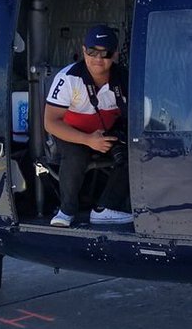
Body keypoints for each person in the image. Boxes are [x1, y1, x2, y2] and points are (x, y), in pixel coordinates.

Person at [43, 25, 132, 227]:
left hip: (106, 131)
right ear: (84, 51)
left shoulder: (124, 78)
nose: (98, 59)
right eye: (92, 52)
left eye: (105, 53)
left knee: (132, 151)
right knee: (76, 155)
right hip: (72, 132)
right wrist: (88, 140)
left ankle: (106, 208)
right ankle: (66, 211)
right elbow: (50, 122)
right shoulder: (68, 78)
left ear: (115, 54)